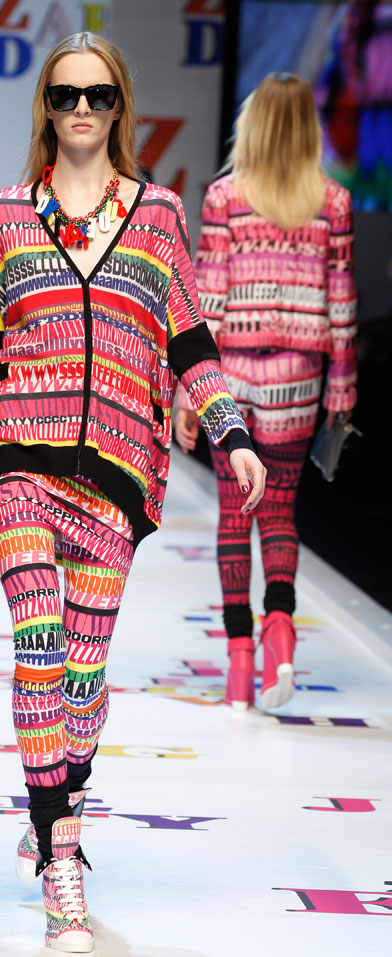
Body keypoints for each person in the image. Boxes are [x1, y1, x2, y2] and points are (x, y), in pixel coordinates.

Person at [0, 33, 266, 953]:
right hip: (15, 457)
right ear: (44, 106)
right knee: (38, 638)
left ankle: (59, 797)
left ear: (120, 106)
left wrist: (232, 429)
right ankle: (61, 860)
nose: (82, 109)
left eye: (99, 95)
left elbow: (188, 335)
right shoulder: (7, 215)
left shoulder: (157, 214)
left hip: (118, 468)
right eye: (66, 94)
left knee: (82, 677)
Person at [175, 73, 357, 713]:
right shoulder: (333, 202)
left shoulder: (225, 196)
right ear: (308, 127)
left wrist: (189, 394)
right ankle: (280, 634)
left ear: (251, 123)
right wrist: (341, 390)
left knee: (234, 516)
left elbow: (208, 298)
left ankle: (238, 662)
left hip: (231, 378)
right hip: (298, 381)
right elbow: (342, 303)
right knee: (278, 513)